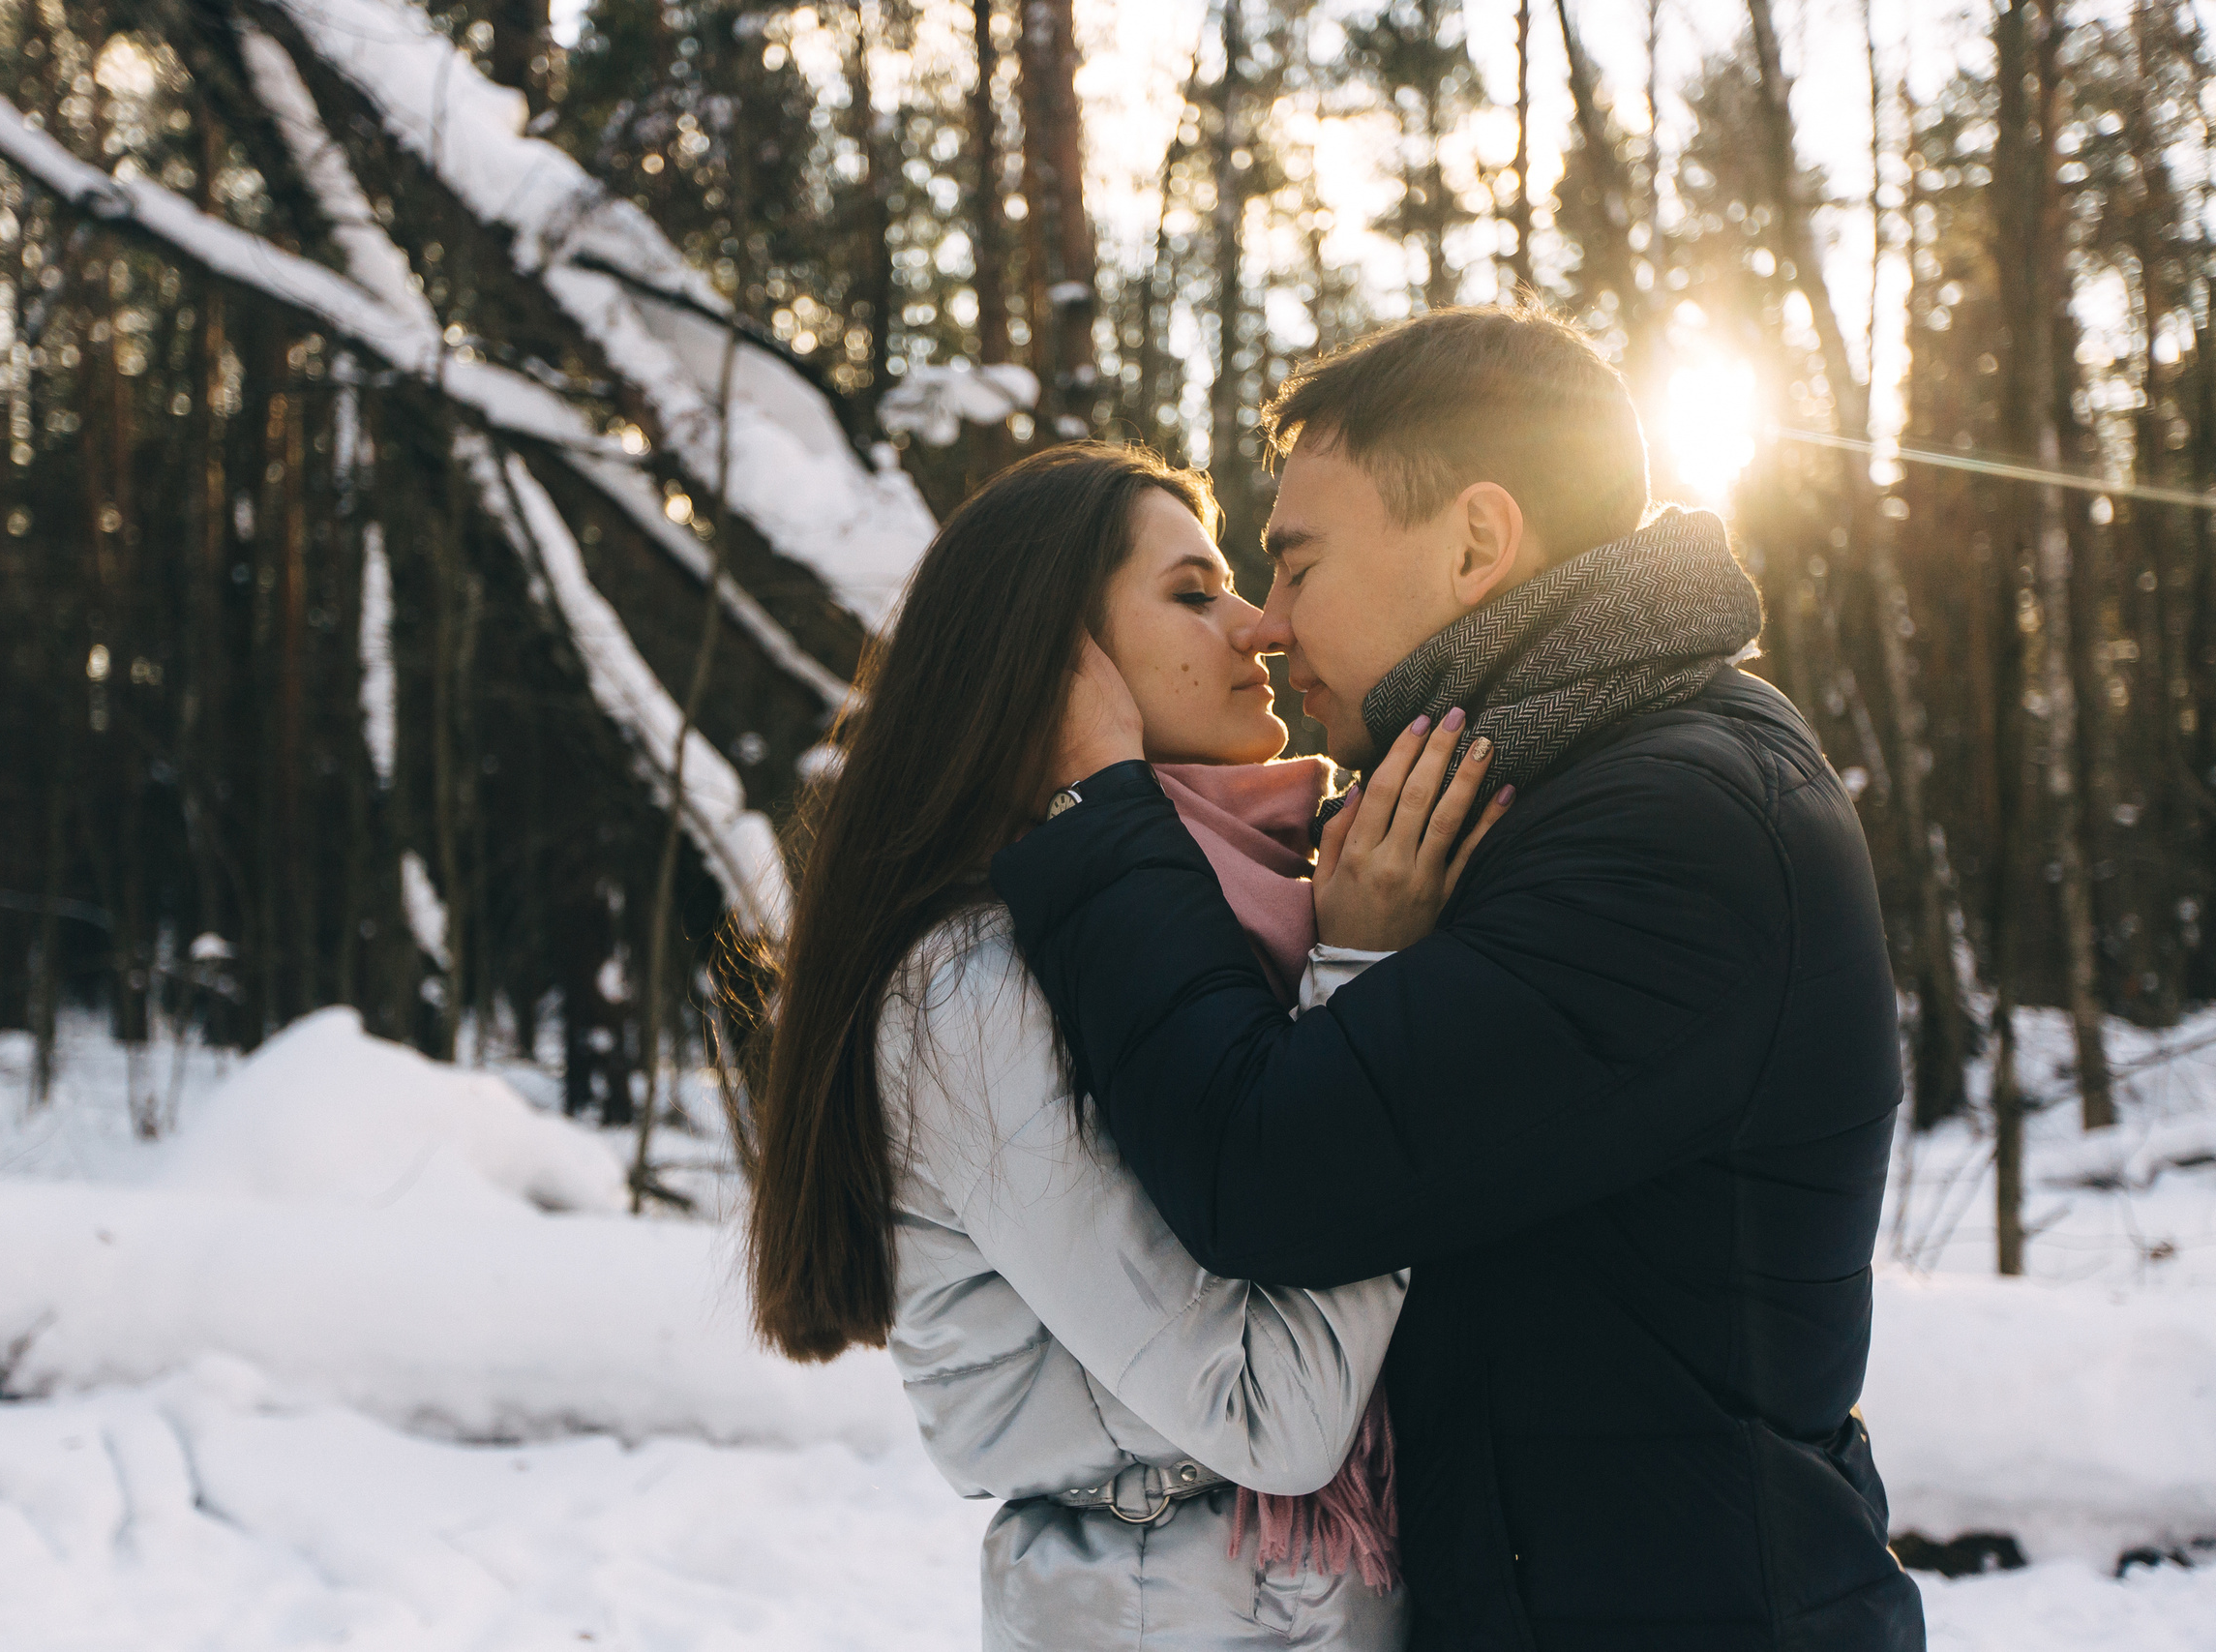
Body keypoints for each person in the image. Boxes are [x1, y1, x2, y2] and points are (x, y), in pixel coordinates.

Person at [993, 309, 1927, 1651]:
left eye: (1297, 563)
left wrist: (1101, 813)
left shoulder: (1676, 830)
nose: (1266, 621)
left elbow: (1265, 1170)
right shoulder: (1567, 778)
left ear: (1478, 543)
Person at [743, 444, 1503, 1649]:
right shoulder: (974, 990)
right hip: (1173, 1603)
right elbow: (1274, 1415)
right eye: (1194, 593)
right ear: (1052, 666)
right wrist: (1361, 989)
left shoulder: (1228, 910)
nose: (1257, 624)